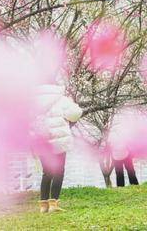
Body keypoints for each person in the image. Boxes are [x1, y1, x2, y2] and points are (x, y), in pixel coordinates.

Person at [34, 83, 83, 213]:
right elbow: (76, 113)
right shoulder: (61, 99)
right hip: (58, 140)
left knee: (47, 172)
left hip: (42, 141)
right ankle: (53, 204)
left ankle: (43, 206)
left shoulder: (34, 100)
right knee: (58, 171)